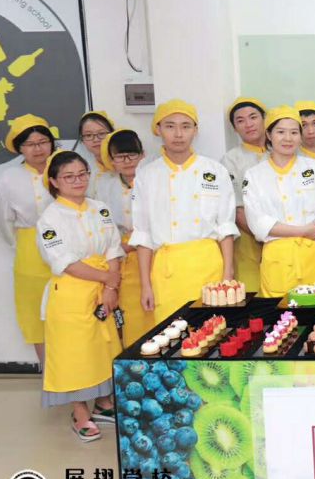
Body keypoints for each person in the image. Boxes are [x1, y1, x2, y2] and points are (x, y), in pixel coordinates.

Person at [37, 150, 123, 442]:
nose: (78, 181)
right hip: (71, 293)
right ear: (54, 182)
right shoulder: (50, 218)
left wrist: (110, 289)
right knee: (75, 355)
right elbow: (65, 262)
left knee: (103, 349)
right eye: (69, 177)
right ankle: (79, 413)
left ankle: (103, 403)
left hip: (103, 290)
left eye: (82, 174)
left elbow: (113, 248)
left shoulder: (100, 209)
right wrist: (107, 279)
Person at [130, 100, 238, 322]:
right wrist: (146, 285)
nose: (178, 134)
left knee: (213, 331)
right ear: (158, 130)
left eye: (186, 126)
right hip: (167, 273)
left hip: (209, 268)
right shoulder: (146, 176)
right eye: (170, 126)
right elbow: (143, 234)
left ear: (195, 130)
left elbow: (225, 227)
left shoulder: (215, 171)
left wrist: (228, 274)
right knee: (170, 332)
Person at [242, 106, 315, 297]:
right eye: (281, 132)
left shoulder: (314, 168)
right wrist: (303, 231)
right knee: (278, 313)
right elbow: (257, 223)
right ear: (269, 134)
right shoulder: (254, 175)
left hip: (313, 257)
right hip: (278, 260)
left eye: (294, 132)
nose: (288, 138)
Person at [0, 114, 57, 363]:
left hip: (71, 249)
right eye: (30, 144)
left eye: (42, 142)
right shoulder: (8, 179)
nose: (38, 149)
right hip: (30, 254)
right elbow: (1, 221)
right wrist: (23, 243)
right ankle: (48, 377)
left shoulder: (66, 168)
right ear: (19, 148)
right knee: (35, 316)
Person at [96, 129, 153, 347]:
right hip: (122, 260)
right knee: (130, 315)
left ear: (143, 155)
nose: (127, 161)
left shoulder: (154, 180)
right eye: (120, 157)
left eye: (132, 154)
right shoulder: (104, 187)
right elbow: (102, 227)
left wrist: (129, 244)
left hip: (153, 255)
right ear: (111, 160)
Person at [220, 97, 266, 293]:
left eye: (253, 117)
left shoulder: (280, 152)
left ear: (264, 119)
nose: (248, 124)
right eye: (240, 120)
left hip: (284, 241)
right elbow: (238, 209)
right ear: (234, 128)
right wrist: (265, 238)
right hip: (249, 240)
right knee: (254, 296)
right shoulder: (230, 160)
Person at [74, 111, 116, 196]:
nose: (96, 139)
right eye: (88, 135)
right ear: (82, 140)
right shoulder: (82, 170)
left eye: (101, 133)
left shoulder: (126, 164)